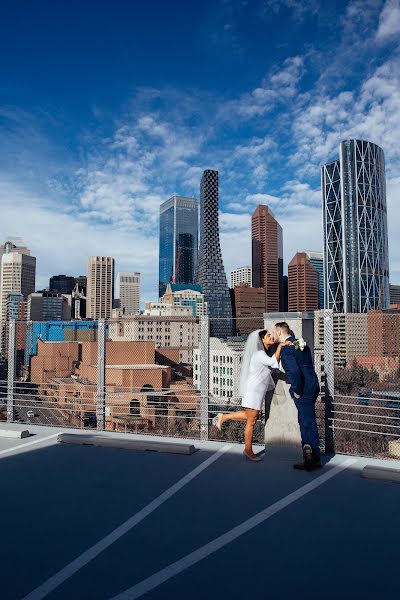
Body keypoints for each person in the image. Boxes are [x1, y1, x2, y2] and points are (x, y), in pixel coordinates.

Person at [213, 330, 292, 461]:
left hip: (257, 391)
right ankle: (248, 450)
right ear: (261, 340)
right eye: (268, 336)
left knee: (250, 416)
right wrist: (280, 346)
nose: (271, 337)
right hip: (253, 391)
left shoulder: (262, 353)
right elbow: (274, 361)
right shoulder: (259, 354)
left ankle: (223, 417)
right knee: (252, 421)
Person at [273, 321, 321, 471]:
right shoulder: (300, 343)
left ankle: (314, 458)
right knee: (305, 420)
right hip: (313, 384)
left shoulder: (287, 350)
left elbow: (293, 373)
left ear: (280, 332)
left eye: (274, 332)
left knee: (307, 423)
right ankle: (309, 456)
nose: (273, 335)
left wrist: (296, 390)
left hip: (304, 389)